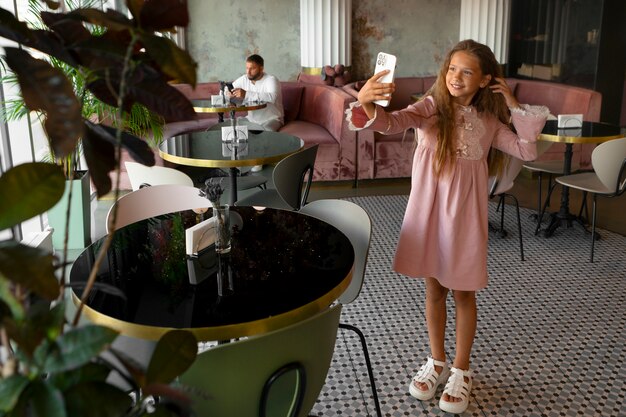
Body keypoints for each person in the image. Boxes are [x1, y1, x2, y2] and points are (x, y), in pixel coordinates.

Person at [345, 40, 548, 414]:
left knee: (464, 294)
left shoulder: (489, 121)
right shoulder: (431, 107)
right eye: (452, 69)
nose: (456, 77)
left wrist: (514, 104)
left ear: (486, 78)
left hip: (465, 221)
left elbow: (527, 150)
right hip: (429, 215)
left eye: (467, 71)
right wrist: (367, 101)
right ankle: (436, 360)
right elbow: (393, 122)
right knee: (434, 290)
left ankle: (461, 369)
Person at [231, 54, 284, 172]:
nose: (248, 71)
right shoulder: (245, 79)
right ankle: (236, 162)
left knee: (263, 132)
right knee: (231, 127)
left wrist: (246, 94)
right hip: (251, 119)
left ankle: (257, 162)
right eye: (247, 68)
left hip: (272, 119)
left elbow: (272, 97)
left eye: (252, 68)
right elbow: (229, 88)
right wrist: (228, 93)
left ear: (261, 68)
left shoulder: (271, 79)